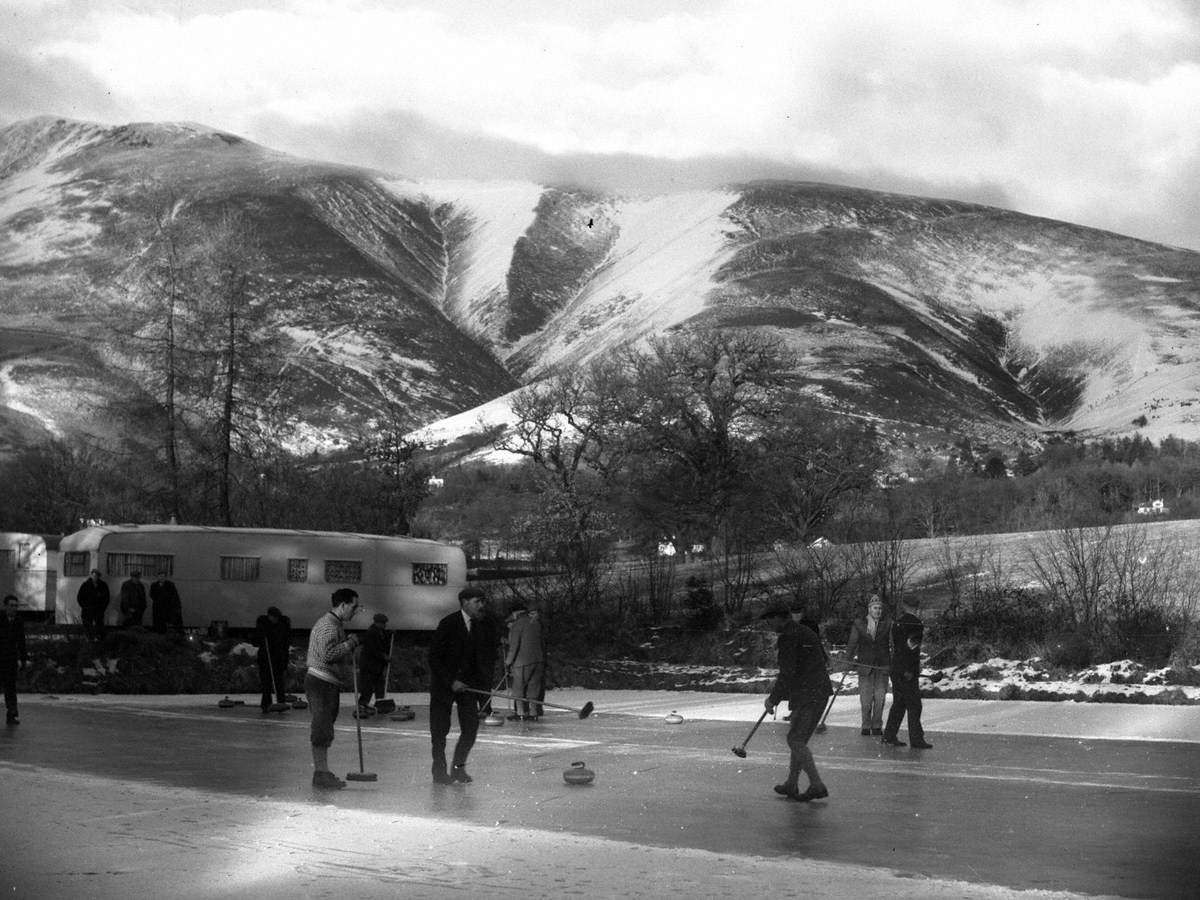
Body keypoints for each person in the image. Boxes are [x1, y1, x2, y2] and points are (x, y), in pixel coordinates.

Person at [428, 586, 498, 785]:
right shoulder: (448, 623)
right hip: (444, 687)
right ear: (465, 602)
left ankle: (458, 769)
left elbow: (482, 663)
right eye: (477, 601)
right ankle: (439, 772)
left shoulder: (481, 626)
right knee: (440, 731)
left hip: (468, 688)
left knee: (470, 729)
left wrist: (485, 699)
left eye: (482, 601)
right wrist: (451, 681)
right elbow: (434, 658)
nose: (481, 605)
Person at [762, 603, 831, 802]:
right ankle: (792, 783)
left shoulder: (788, 637)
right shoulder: (804, 631)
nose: (768, 622)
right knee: (797, 738)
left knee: (796, 740)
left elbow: (788, 673)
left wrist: (773, 700)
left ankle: (816, 784)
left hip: (808, 695)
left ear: (780, 617)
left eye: (770, 618)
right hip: (816, 691)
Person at [305, 589, 361, 789]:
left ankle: (322, 771)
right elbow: (328, 654)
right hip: (320, 683)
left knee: (325, 728)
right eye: (354, 607)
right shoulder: (328, 626)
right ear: (343, 605)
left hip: (327, 682)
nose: (355, 611)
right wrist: (349, 644)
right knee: (321, 727)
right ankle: (320, 773)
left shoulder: (335, 624)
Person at [882, 595, 933, 749]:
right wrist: (911, 669)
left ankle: (889, 735)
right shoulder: (916, 623)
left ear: (904, 606)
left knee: (899, 703)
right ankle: (916, 739)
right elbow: (912, 648)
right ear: (917, 606)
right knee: (914, 705)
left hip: (895, 667)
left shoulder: (896, 623)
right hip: (907, 670)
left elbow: (898, 647)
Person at [845, 594, 891, 736]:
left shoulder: (888, 624)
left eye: (880, 609)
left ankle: (877, 725)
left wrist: (893, 662)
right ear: (869, 609)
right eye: (875, 608)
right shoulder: (859, 624)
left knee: (880, 698)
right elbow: (852, 644)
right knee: (865, 699)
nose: (878, 611)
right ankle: (865, 725)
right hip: (865, 667)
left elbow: (894, 644)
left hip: (882, 667)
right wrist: (848, 661)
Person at [504, 604, 545, 721]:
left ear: (516, 614)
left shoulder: (518, 624)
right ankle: (533, 713)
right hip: (538, 660)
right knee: (534, 687)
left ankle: (521, 712)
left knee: (518, 688)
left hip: (522, 662)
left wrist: (507, 662)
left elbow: (514, 646)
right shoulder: (536, 623)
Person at [253, 606, 292, 713]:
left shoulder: (282, 626)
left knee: (279, 682)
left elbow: (285, 644)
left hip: (278, 659)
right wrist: (261, 634)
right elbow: (255, 642)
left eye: (277, 618)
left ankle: (280, 702)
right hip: (266, 659)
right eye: (274, 617)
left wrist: (285, 660)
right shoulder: (263, 625)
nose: (275, 620)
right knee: (266, 683)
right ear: (269, 616)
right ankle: (266, 704)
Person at [1, 595, 28, 725]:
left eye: (15, 606)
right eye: (11, 605)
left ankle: (12, 713)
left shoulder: (18, 621)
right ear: (5, 606)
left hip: (11, 660)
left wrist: (23, 660)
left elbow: (21, 642)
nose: (14, 608)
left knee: (10, 687)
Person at [357, 613, 391, 713]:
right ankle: (362, 705)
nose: (385, 625)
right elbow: (372, 649)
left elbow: (385, 641)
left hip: (378, 666)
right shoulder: (371, 633)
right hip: (369, 665)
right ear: (377, 623)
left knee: (380, 685)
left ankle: (380, 703)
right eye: (383, 623)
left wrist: (390, 634)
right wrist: (383, 656)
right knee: (367, 686)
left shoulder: (382, 632)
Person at [77, 569, 110, 641]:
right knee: (88, 627)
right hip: (88, 610)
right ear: (91, 575)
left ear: (99, 577)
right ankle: (90, 640)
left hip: (98, 610)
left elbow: (106, 598)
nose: (95, 577)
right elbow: (80, 597)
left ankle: (99, 640)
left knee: (99, 626)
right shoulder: (85, 585)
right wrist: (85, 607)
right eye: (94, 575)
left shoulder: (103, 585)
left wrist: (102, 608)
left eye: (97, 576)